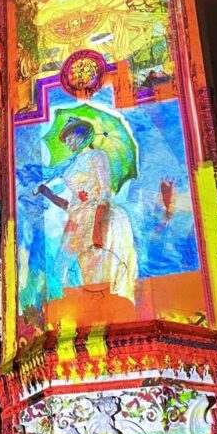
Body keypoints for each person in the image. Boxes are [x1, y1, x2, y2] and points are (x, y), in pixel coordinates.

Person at [36, 118, 137, 303]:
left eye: (70, 136)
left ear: (82, 135)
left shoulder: (97, 156)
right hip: (76, 220)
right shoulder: (72, 165)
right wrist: (48, 193)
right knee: (63, 265)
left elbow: (104, 194)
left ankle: (97, 305)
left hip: (95, 218)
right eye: (65, 138)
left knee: (93, 266)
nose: (67, 142)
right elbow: (72, 204)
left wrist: (97, 230)